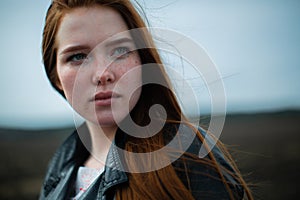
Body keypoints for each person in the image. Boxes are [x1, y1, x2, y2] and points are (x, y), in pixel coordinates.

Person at [39, 0, 253, 199]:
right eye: (77, 56)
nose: (103, 73)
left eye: (120, 50)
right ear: (56, 75)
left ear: (143, 61)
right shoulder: (60, 169)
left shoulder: (185, 158)